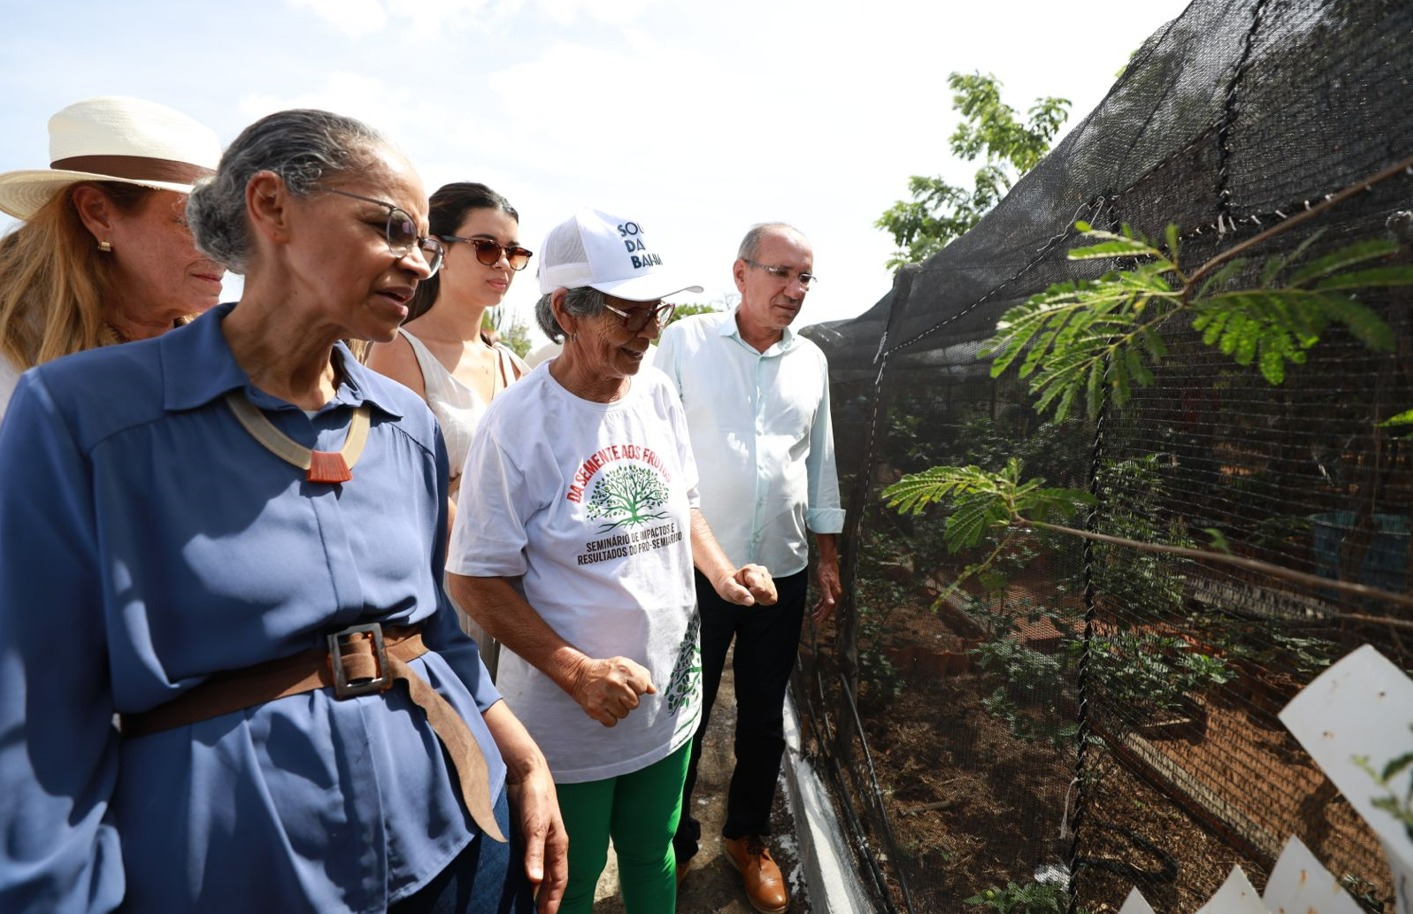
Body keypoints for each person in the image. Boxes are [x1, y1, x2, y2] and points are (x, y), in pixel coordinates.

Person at [0, 108, 566, 914]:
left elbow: (437, 633)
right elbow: (36, 716)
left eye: (427, 247)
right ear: (270, 207)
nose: (416, 263)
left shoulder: (407, 426)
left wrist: (520, 759)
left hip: (447, 843)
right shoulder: (82, 414)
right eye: (390, 227)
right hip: (227, 872)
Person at [446, 209, 778, 914]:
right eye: (627, 313)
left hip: (667, 694)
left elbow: (682, 505)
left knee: (654, 850)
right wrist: (577, 671)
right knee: (572, 868)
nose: (648, 330)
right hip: (573, 716)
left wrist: (722, 574)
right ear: (567, 310)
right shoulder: (517, 423)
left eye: (654, 311)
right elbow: (472, 577)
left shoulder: (655, 392)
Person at [654, 222, 844, 914]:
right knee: (687, 712)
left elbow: (819, 458)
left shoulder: (812, 360)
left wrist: (825, 554)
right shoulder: (685, 342)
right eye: (780, 274)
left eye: (803, 278)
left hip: (783, 569)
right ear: (740, 274)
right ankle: (668, 847)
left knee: (764, 715)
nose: (793, 291)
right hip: (698, 568)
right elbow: (651, 443)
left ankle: (746, 836)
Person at [366, 182, 532, 678]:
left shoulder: (512, 363)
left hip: (519, 582)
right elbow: (407, 485)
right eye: (486, 247)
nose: (502, 263)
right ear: (435, 248)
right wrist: (494, 563)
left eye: (515, 252)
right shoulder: (398, 350)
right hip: (447, 584)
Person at [0, 95, 225, 421]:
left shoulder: (230, 364)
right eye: (194, 220)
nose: (223, 247)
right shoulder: (12, 366)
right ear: (98, 213)